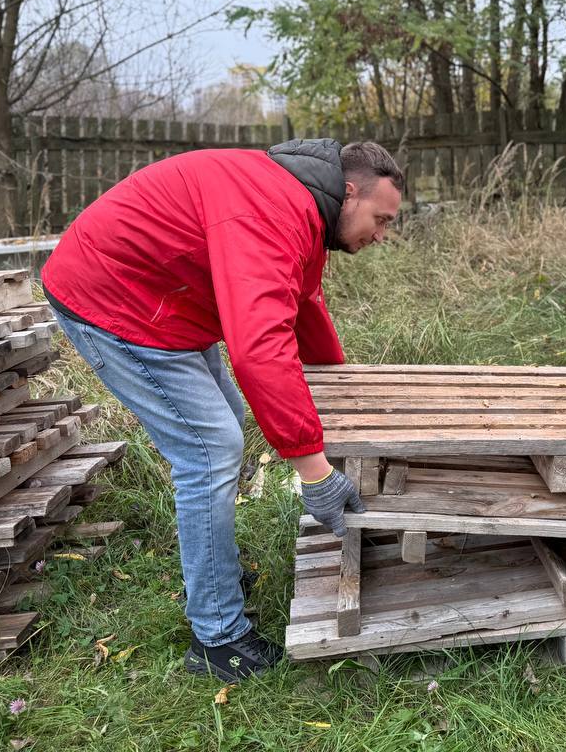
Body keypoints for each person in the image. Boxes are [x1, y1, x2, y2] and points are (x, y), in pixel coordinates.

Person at [41, 137, 403, 680]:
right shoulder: (271, 211)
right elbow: (259, 347)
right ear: (350, 193)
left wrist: (341, 393)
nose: (381, 235)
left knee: (223, 426)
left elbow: (300, 304)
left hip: (167, 296)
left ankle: (215, 577)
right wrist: (314, 471)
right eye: (381, 219)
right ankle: (217, 639)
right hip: (113, 299)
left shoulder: (299, 203)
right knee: (210, 451)